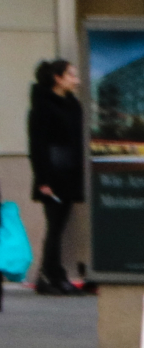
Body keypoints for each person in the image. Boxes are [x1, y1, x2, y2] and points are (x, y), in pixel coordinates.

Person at [25, 58, 85, 295]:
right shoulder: (43, 106)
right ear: (57, 78)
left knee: (58, 226)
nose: (76, 79)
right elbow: (37, 145)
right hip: (53, 176)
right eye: (71, 75)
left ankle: (49, 274)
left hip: (70, 174)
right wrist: (43, 180)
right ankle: (52, 275)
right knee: (55, 226)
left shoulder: (72, 104)